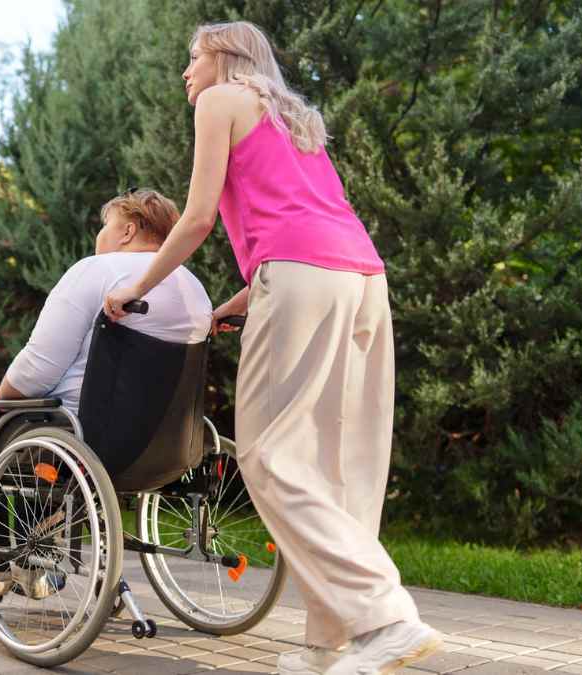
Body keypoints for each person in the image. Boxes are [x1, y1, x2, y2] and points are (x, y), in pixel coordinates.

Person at [103, 21, 441, 675]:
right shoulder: (294, 121)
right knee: (343, 464)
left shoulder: (219, 102)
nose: (186, 73)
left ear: (227, 59)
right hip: (361, 280)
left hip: (301, 279)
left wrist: (136, 286)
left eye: (193, 58)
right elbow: (300, 223)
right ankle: (331, 639)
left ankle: (389, 618)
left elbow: (199, 216)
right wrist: (235, 304)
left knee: (269, 454)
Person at [0, 188, 212, 473]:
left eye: (105, 226)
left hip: (81, 438)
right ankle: (50, 516)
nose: (99, 236)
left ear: (127, 231)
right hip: (168, 449)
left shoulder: (98, 270)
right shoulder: (194, 288)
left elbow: (36, 371)